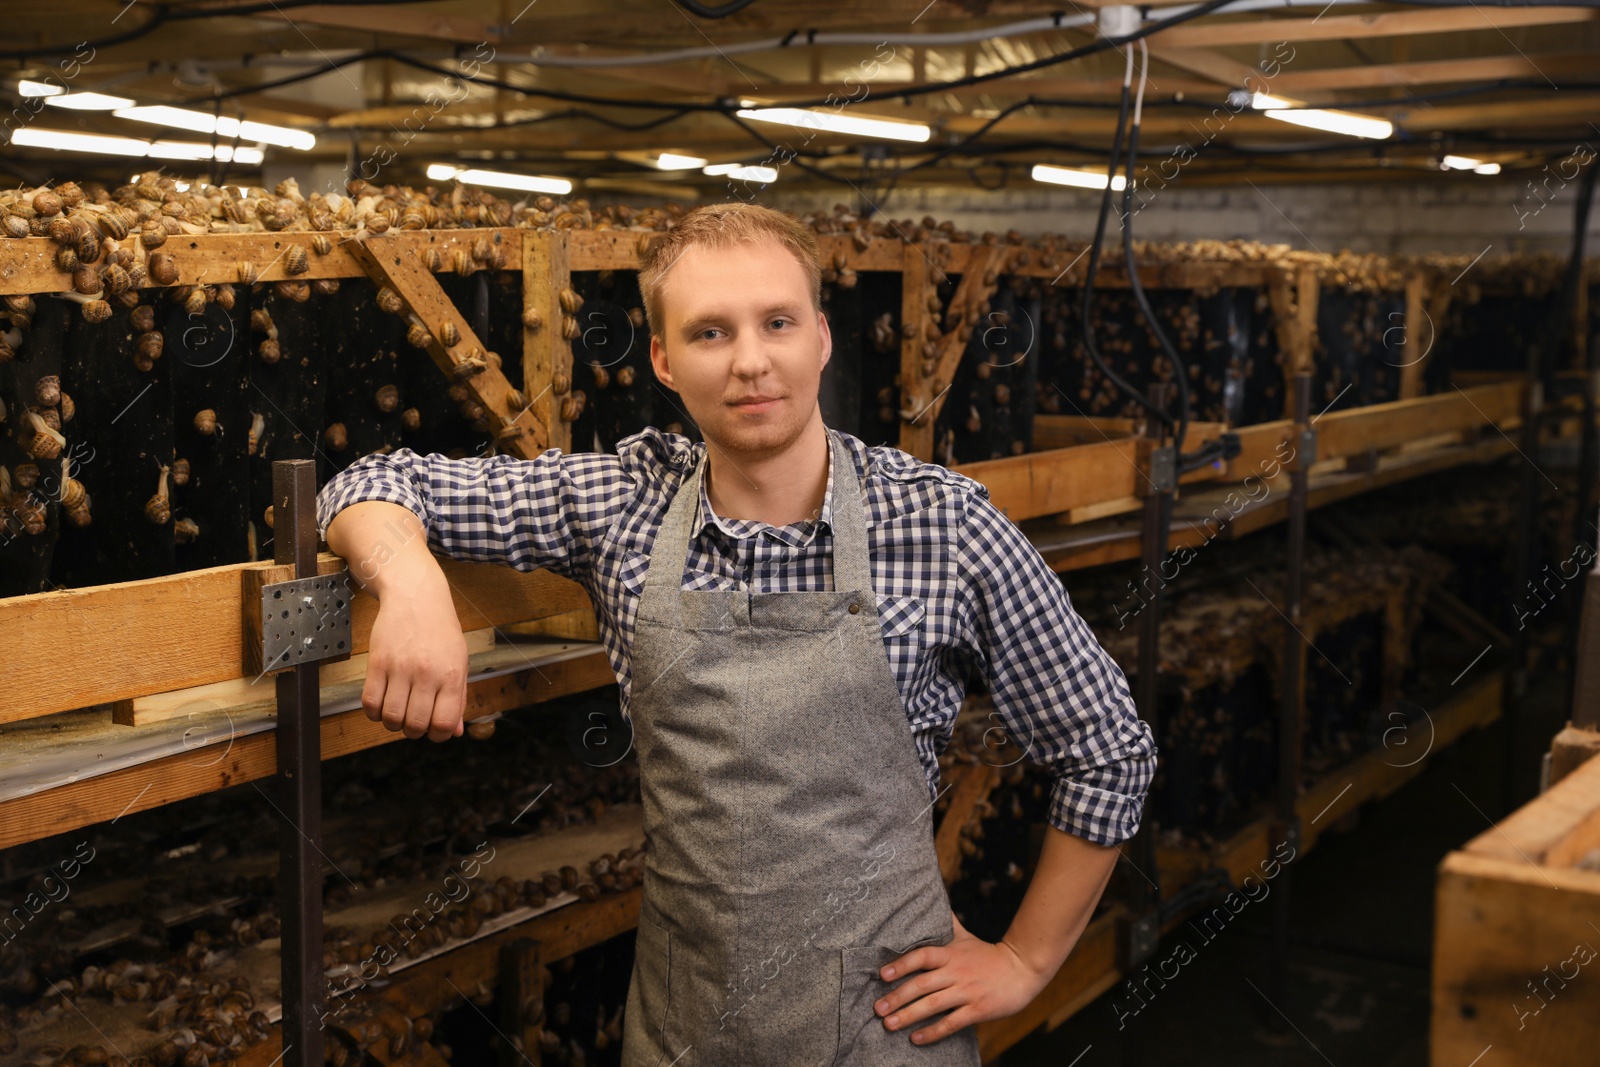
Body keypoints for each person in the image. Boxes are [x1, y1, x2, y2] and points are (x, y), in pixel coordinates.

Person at [318, 201, 1156, 1066]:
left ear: (822, 339)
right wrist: (409, 580)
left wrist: (1025, 960)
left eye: (778, 323)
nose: (751, 362)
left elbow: (1106, 746)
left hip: (883, 1036)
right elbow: (373, 480)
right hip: (685, 1034)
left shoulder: (943, 525)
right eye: (710, 332)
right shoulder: (623, 504)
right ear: (664, 360)